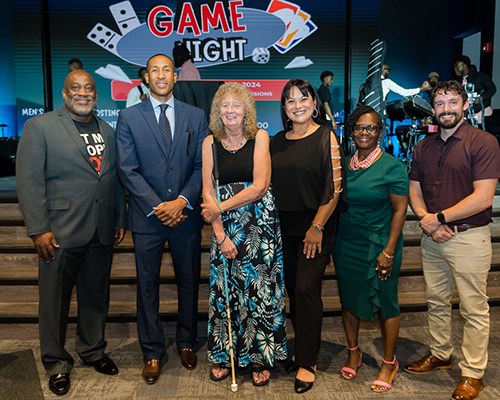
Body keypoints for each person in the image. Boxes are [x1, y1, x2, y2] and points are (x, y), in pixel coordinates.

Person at [16, 70, 127, 396]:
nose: (83, 93)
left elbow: (113, 179)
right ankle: (56, 363)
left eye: (89, 88)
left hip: (101, 230)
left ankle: (93, 350)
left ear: (96, 94)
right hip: (59, 233)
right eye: (76, 88)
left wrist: (119, 217)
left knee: (96, 299)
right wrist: (38, 229)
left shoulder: (107, 129)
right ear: (64, 94)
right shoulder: (40, 127)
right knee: (53, 303)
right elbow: (29, 181)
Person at [116, 54, 209, 384]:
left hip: (186, 215)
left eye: (166, 70)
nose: (160, 75)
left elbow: (202, 166)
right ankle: (152, 351)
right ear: (145, 76)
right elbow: (127, 170)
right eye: (154, 70)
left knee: (188, 283)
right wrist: (159, 206)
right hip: (147, 219)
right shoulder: (128, 117)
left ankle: (186, 342)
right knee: (147, 288)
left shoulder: (196, 116)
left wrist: (182, 201)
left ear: (175, 76)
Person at [404, 80, 500, 400]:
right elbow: (414, 191)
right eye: (440, 103)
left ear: (464, 105)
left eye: (452, 102)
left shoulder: (483, 142)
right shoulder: (423, 147)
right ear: (432, 110)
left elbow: (484, 197)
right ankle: (441, 354)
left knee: (473, 309)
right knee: (437, 301)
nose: (446, 109)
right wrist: (427, 222)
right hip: (433, 238)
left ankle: (473, 373)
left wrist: (439, 218)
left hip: (468, 237)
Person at [201, 83, 287, 386]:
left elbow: (260, 186)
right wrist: (221, 234)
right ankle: (225, 355)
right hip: (224, 228)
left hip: (258, 227)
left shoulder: (260, 137)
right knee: (227, 293)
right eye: (224, 105)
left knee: (260, 293)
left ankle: (260, 357)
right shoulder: (209, 143)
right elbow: (207, 192)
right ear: (217, 111)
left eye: (236, 105)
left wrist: (218, 208)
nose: (230, 110)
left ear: (247, 110)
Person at [270, 78, 345, 394]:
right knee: (292, 291)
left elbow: (336, 187)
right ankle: (301, 348)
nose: (297, 105)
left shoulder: (326, 136)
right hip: (283, 227)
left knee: (306, 290)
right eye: (290, 100)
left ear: (315, 103)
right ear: (284, 108)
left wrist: (316, 227)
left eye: (303, 98)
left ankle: (308, 362)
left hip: (317, 225)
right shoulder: (277, 140)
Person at [332, 105, 409, 393]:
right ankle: (354, 351)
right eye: (359, 127)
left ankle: (389, 362)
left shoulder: (392, 166)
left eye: (371, 128)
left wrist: (388, 250)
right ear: (351, 131)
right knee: (348, 299)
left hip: (380, 242)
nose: (365, 133)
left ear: (380, 131)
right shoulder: (344, 162)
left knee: (386, 301)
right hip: (347, 242)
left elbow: (400, 211)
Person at [454, 55, 496, 125]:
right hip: (467, 114)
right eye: (454, 68)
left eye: (457, 67)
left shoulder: (480, 76)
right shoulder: (458, 82)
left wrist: (481, 98)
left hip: (480, 112)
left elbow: (492, 89)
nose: (455, 70)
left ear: (464, 65)